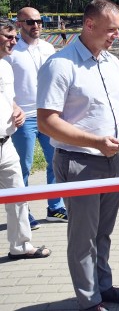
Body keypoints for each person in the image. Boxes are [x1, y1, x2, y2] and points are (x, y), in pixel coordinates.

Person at [37, 0, 119, 310]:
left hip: (112, 159)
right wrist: (95, 141)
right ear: (89, 25)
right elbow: (47, 122)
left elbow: (116, 103)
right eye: (112, 30)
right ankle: (89, 300)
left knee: (103, 232)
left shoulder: (110, 62)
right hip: (78, 162)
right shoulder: (61, 64)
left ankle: (104, 286)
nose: (118, 36)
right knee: (83, 237)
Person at [6, 7, 68, 229]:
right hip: (24, 118)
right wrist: (13, 108)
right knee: (23, 166)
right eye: (30, 22)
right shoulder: (12, 50)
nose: (36, 25)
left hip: (49, 114)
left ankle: (55, 207)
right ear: (19, 23)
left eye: (39, 21)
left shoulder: (48, 48)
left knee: (55, 162)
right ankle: (25, 212)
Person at [0, 18, 51, 260]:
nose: (13, 41)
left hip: (5, 144)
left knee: (17, 194)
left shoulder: (5, 66)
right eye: (8, 37)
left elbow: (7, 97)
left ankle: (20, 246)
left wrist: (16, 109)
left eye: (14, 37)